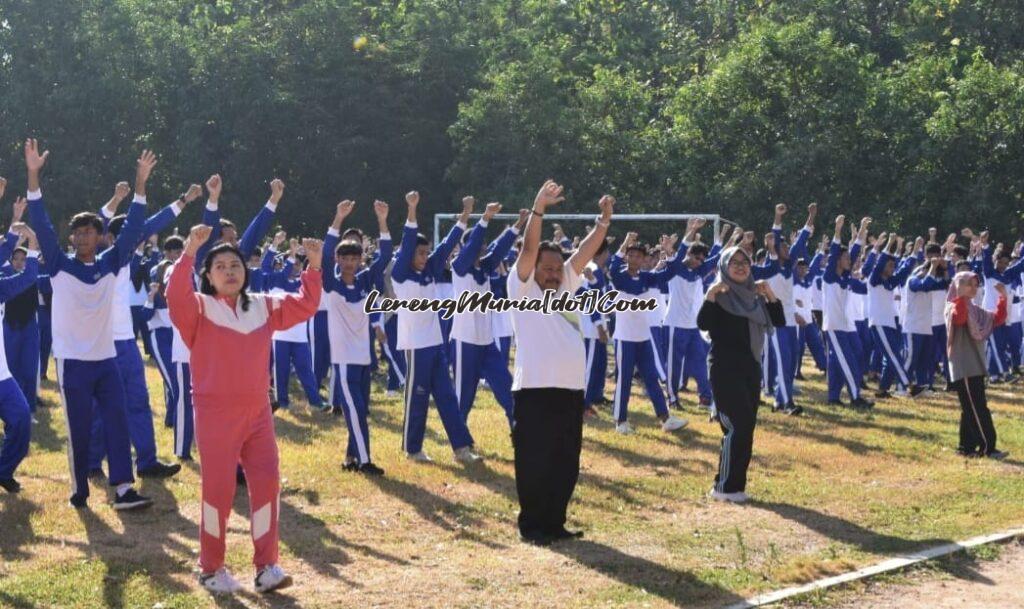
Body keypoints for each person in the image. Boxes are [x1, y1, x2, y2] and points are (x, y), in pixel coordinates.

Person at [167, 224, 323, 593]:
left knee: (267, 484)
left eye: (234, 264)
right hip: (215, 413)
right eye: (219, 266)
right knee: (218, 492)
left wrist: (314, 267)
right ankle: (211, 568)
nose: (229, 271)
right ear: (207, 276)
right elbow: (175, 294)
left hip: (258, 413)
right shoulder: (198, 308)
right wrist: (190, 250)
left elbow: (305, 304)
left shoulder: (262, 305)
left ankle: (267, 565)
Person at [25, 138, 153, 510]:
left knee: (118, 421)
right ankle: (79, 487)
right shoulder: (58, 263)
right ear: (71, 239)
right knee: (79, 429)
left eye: (89, 232)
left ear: (100, 237)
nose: (83, 237)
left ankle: (124, 489)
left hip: (106, 360)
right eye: (77, 233)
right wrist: (33, 176)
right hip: (73, 362)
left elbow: (133, 228)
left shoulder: (110, 262)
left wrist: (140, 182)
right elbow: (41, 221)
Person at [507, 180, 613, 545]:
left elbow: (584, 252)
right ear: (532, 268)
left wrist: (604, 222)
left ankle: (555, 523)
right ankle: (533, 526)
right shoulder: (521, 288)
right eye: (546, 268)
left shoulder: (567, 283)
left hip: (570, 391)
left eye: (556, 268)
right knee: (534, 462)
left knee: (565, 462)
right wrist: (539, 206)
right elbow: (532, 246)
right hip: (534, 390)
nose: (553, 273)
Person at [391, 191, 480, 464]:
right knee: (417, 399)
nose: (424, 256)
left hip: (435, 345)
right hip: (416, 347)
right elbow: (407, 243)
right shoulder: (400, 274)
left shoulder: (430, 269)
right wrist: (412, 209)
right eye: (420, 252)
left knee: (446, 396)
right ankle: (412, 448)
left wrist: (466, 213)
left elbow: (450, 242)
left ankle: (462, 448)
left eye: (426, 252)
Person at [698, 245, 785, 503]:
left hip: (750, 367)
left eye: (744, 262)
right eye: (733, 262)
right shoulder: (720, 294)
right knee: (737, 425)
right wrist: (711, 295)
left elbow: (778, 320)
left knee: (747, 427)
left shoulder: (755, 297)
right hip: (724, 368)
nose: (739, 266)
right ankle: (724, 486)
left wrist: (769, 292)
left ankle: (736, 486)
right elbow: (704, 323)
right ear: (724, 266)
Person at [322, 199, 391, 474]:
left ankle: (351, 458)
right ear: (338, 260)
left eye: (354, 258)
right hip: (345, 360)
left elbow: (385, 256)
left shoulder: (364, 281)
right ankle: (365, 462)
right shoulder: (331, 285)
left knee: (360, 411)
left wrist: (382, 221)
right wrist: (338, 218)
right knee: (355, 412)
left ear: (360, 260)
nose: (350, 263)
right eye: (345, 258)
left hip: (364, 358)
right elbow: (326, 253)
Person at [449, 199, 521, 427]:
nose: (481, 250)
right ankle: (461, 444)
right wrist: (484, 218)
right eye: (476, 246)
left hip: (486, 342)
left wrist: (519, 224)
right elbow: (472, 247)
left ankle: (519, 431)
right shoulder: (459, 268)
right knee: (464, 397)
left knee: (506, 386)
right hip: (464, 342)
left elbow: (499, 248)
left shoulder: (486, 267)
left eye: (482, 247)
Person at [944, 271, 1008, 459]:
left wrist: (1002, 298)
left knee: (970, 407)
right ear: (958, 286)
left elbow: (996, 319)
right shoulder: (953, 306)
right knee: (978, 407)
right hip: (964, 366)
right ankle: (988, 447)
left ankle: (966, 447)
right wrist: (962, 298)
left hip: (975, 364)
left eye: (975, 285)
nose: (973, 288)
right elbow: (960, 319)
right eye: (968, 284)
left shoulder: (973, 308)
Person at [0, 223, 41, 493]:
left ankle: (3, 471)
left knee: (22, 418)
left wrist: (34, 244)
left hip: (1, 376)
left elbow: (27, 278)